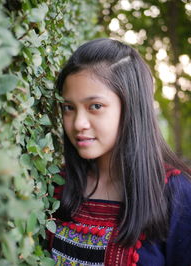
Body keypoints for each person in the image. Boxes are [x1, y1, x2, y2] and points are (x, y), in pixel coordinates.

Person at [47, 38, 191, 265]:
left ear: (131, 107)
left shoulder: (176, 193)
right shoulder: (56, 184)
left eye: (95, 106)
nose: (78, 123)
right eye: (69, 108)